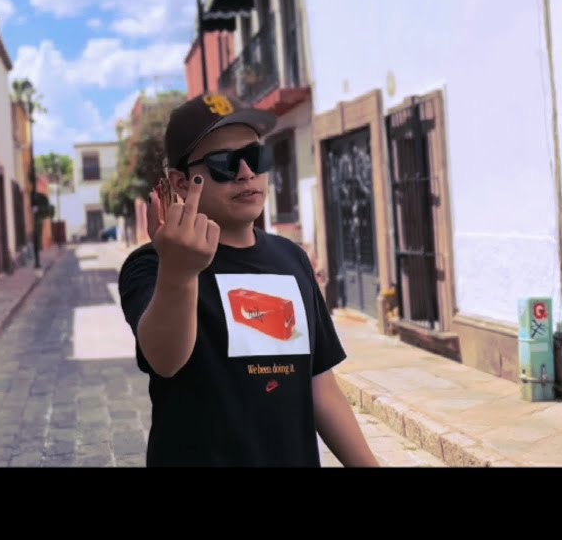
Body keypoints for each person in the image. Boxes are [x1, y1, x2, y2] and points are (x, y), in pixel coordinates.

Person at [117, 92, 379, 467]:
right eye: (224, 163)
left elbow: (320, 385)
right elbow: (165, 360)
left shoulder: (292, 259)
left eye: (255, 157)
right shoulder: (152, 265)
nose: (246, 173)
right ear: (181, 182)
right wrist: (179, 273)